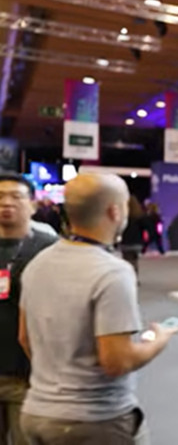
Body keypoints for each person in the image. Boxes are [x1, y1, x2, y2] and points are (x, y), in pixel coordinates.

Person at [17, 173, 178, 444]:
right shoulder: (112, 272)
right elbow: (117, 361)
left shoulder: (38, 264)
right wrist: (158, 341)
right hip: (95, 421)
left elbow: (25, 338)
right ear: (114, 212)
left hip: (37, 413)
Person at [0, 174, 57, 445]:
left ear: (33, 205)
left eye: (16, 196)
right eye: (0, 197)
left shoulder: (50, 250)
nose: (6, 203)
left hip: (28, 376)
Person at [120, 196, 145, 277]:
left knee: (127, 260)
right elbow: (145, 229)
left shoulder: (122, 218)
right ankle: (135, 275)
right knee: (134, 260)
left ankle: (128, 276)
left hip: (125, 243)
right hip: (137, 243)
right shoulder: (139, 218)